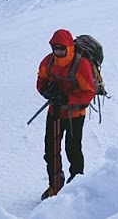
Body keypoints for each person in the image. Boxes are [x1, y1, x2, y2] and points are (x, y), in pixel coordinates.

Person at [36, 29, 98, 200]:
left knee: (73, 149)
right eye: (56, 48)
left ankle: (76, 186)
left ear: (69, 47)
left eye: (62, 48)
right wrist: (47, 92)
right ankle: (54, 186)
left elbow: (88, 92)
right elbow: (40, 80)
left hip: (74, 115)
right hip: (54, 112)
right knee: (51, 150)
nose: (58, 52)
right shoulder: (48, 62)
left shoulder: (82, 65)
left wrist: (66, 98)